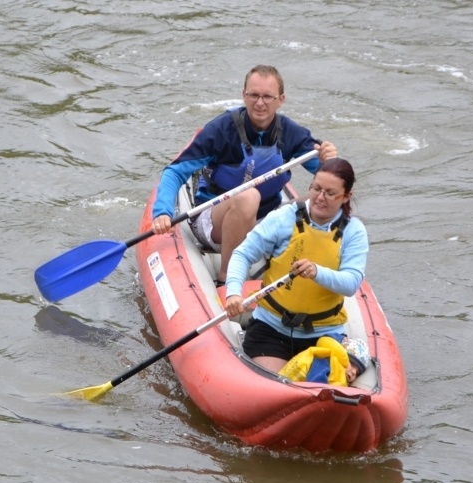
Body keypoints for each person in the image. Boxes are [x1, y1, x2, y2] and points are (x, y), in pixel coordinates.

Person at [150, 64, 338, 286]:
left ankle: (319, 266)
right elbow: (174, 172)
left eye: (267, 96)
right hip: (212, 221)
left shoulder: (290, 132)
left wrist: (331, 160)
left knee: (324, 198)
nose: (260, 103)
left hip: (265, 221)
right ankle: (227, 279)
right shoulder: (221, 130)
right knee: (249, 196)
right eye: (254, 95)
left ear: (281, 99)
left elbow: (333, 180)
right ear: (244, 95)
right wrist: (161, 211)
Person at [224, 157, 368, 381]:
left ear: (346, 196)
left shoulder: (354, 232)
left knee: (326, 379)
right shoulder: (284, 217)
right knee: (276, 383)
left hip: (324, 332)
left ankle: (350, 358)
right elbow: (243, 254)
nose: (320, 198)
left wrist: (317, 272)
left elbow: (351, 283)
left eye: (330, 193)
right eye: (316, 188)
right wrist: (233, 291)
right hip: (271, 329)